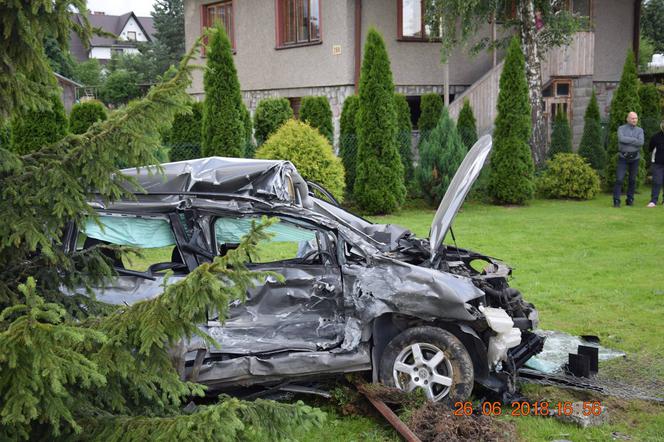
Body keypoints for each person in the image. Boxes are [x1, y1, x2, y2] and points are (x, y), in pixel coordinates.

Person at [613, 111, 644, 207]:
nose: (635, 120)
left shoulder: (640, 130)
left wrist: (629, 140)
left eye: (636, 118)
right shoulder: (621, 128)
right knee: (619, 179)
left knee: (632, 180)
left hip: (635, 158)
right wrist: (634, 140)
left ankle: (630, 200)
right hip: (623, 157)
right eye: (632, 118)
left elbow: (641, 142)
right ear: (627, 119)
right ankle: (616, 201)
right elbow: (621, 139)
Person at [647, 120, 664, 207]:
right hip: (657, 163)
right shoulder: (655, 137)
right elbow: (650, 148)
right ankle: (653, 201)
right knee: (657, 181)